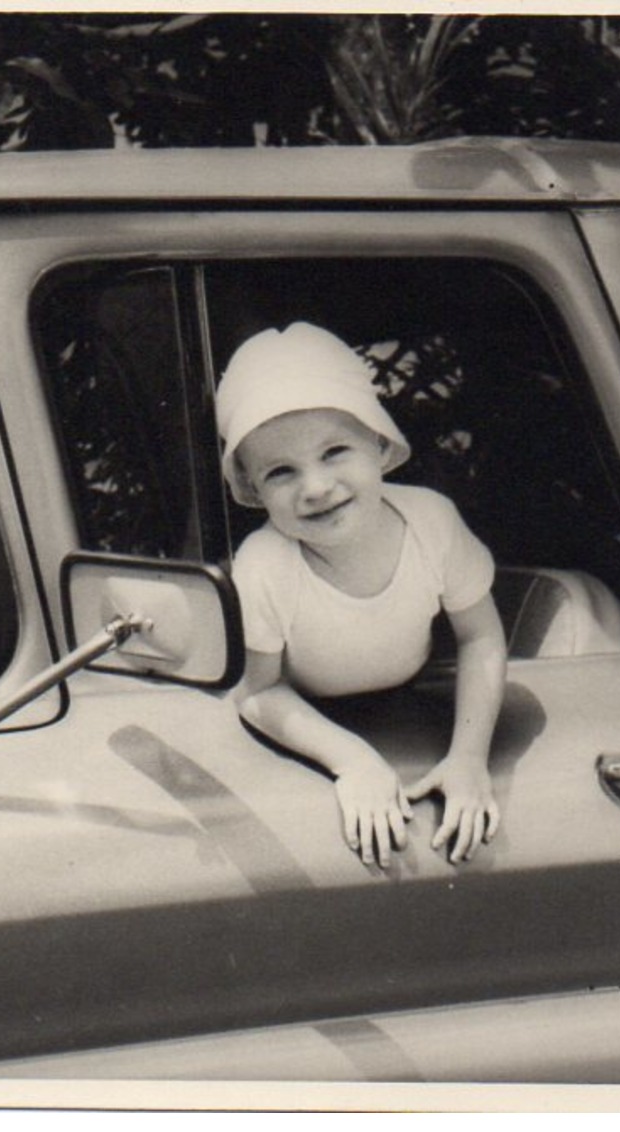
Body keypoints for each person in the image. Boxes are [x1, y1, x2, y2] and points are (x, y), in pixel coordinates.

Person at [218, 321, 508, 869]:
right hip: (317, 720)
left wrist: (469, 757)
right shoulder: (263, 566)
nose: (316, 487)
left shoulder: (431, 520)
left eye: (335, 451)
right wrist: (353, 763)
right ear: (253, 490)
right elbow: (259, 693)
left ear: (378, 443)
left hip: (415, 706)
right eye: (281, 472)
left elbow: (481, 636)